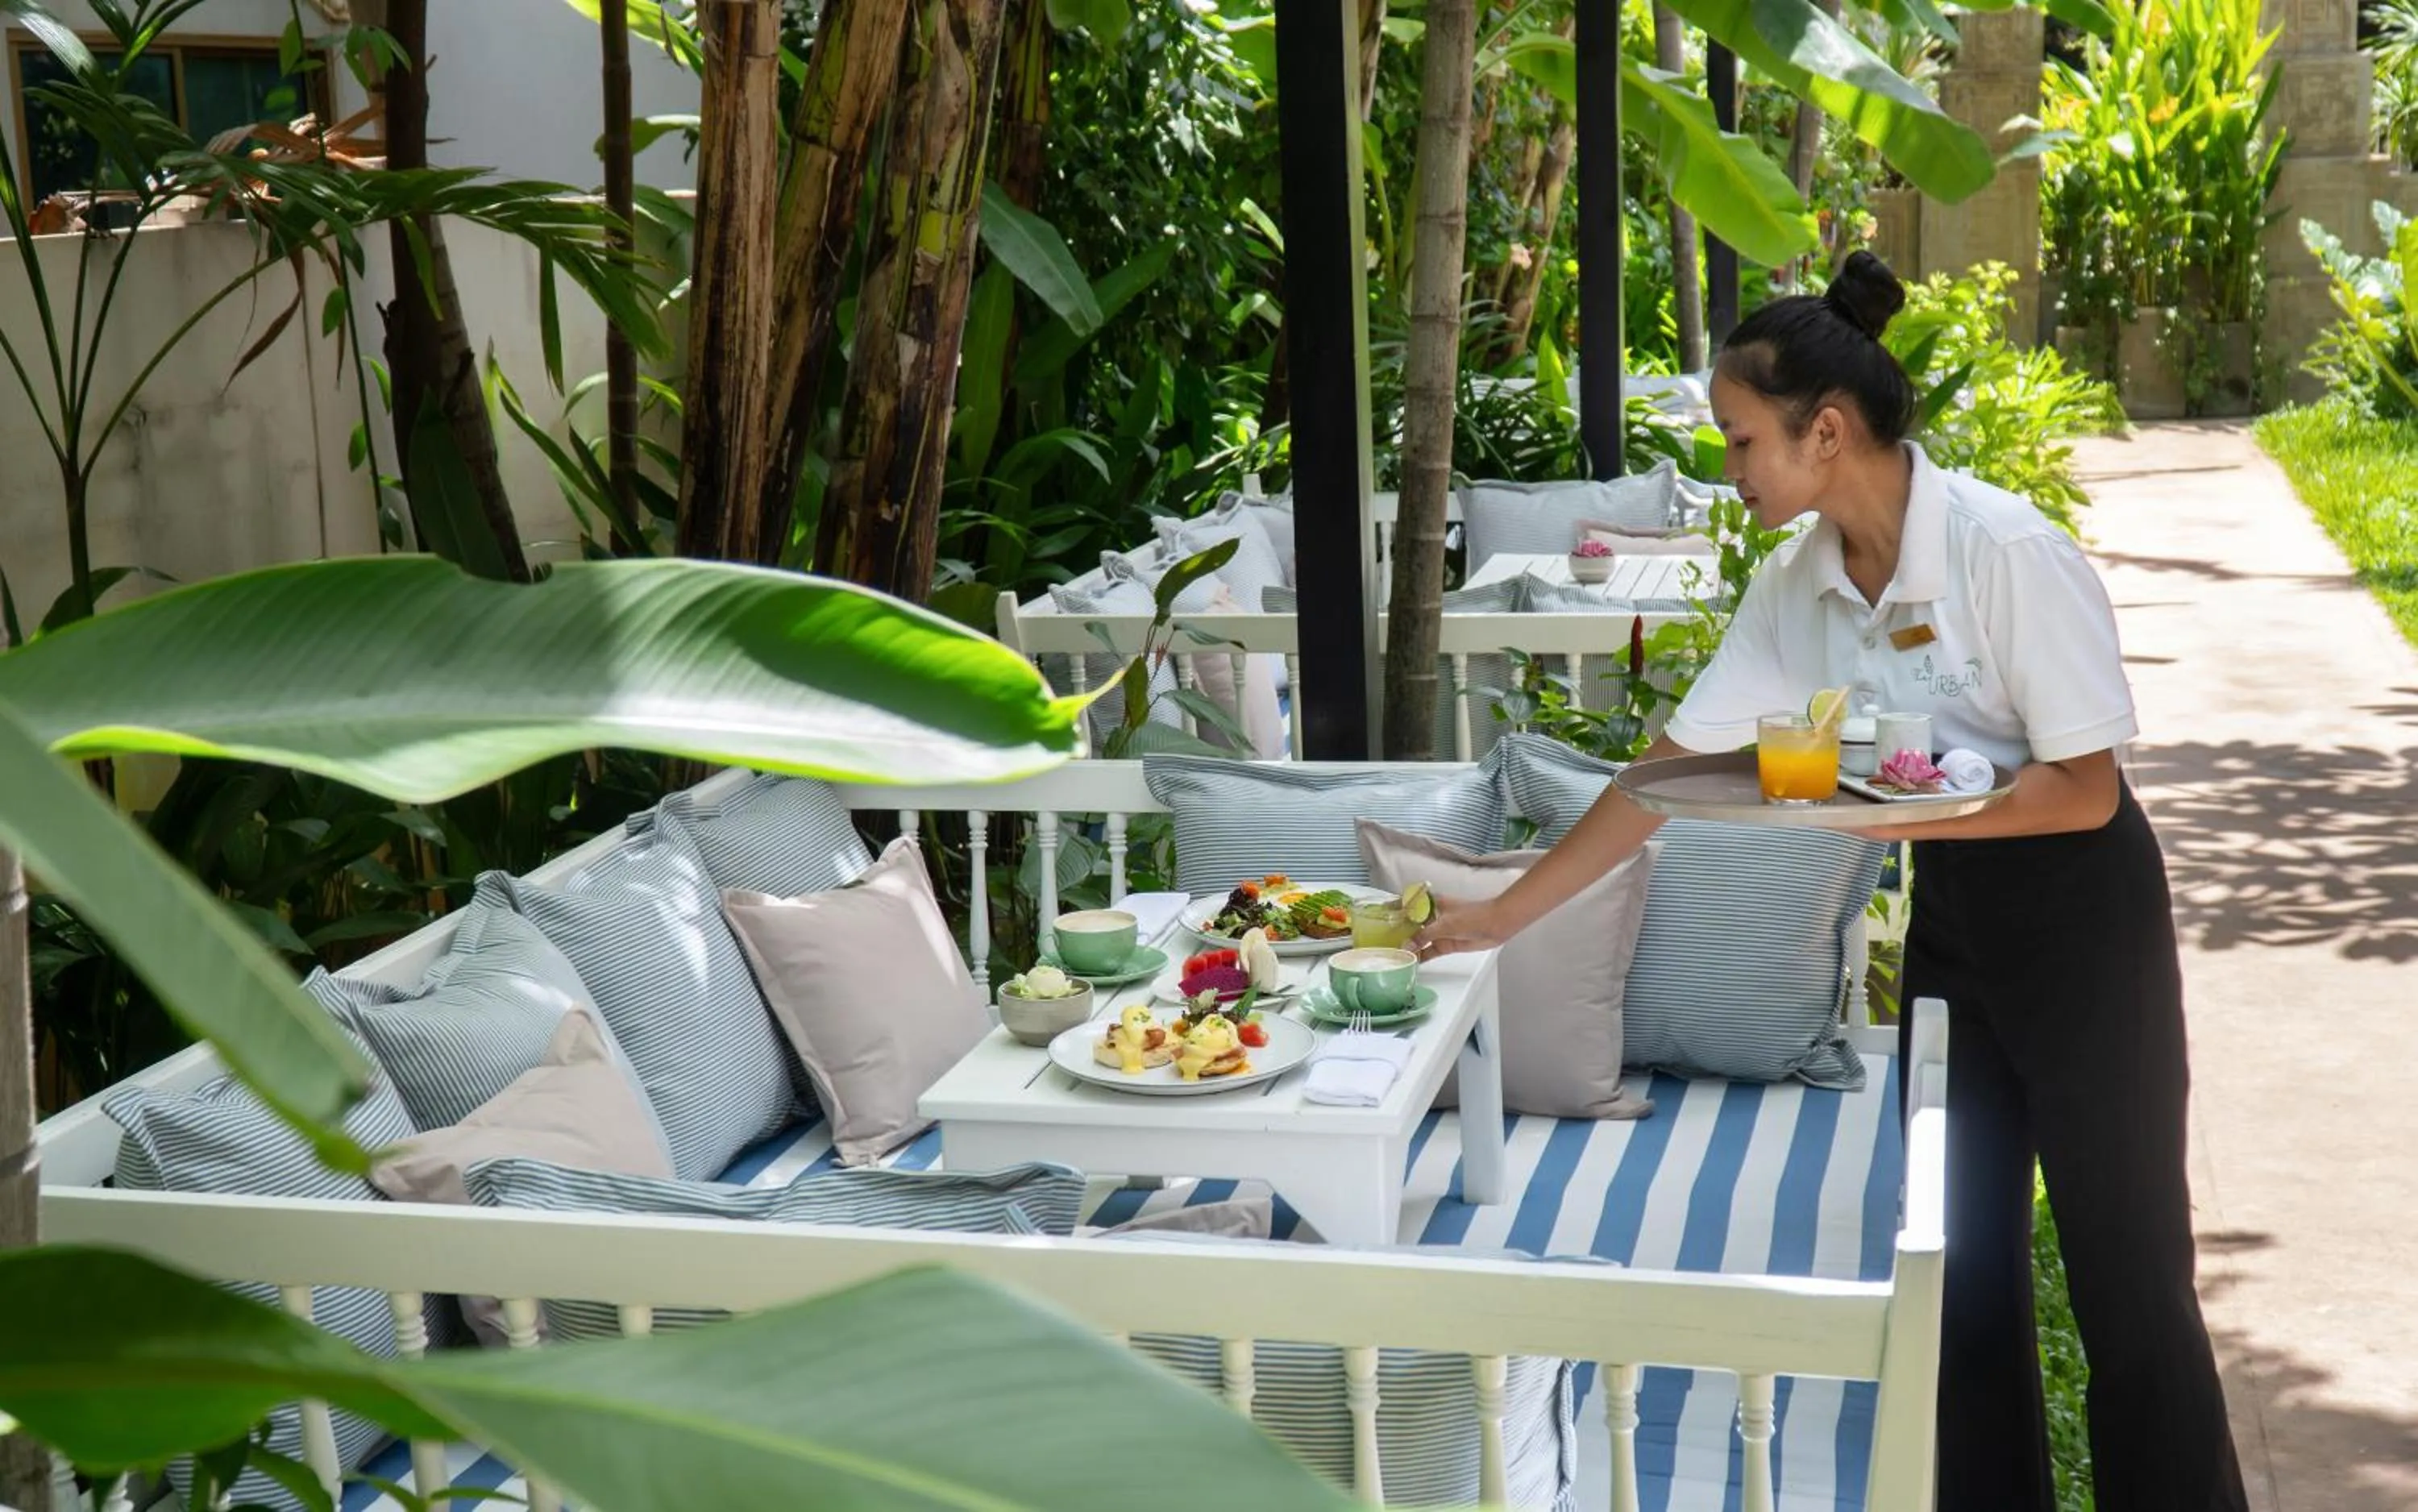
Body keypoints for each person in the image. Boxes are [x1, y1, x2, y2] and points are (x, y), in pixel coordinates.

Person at [1414, 251, 2247, 1511]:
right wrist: (1503, 916)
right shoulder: (1798, 584)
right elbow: (1668, 769)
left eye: (1742, 443)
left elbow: (2084, 791)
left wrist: (1877, 821)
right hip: (1960, 927)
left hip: (2088, 924)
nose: (1728, 471)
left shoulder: (2003, 553)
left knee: (2129, 1279)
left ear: (1828, 431)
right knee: (1955, 1270)